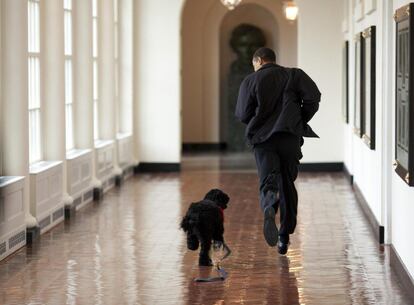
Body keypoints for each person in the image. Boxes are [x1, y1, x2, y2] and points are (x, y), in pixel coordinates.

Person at [235, 47, 321, 255]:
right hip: (289, 136)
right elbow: (313, 98)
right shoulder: (294, 74)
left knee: (269, 179)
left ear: (259, 60)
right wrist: (298, 118)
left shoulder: (251, 80)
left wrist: (258, 121)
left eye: (254, 64)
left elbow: (242, 113)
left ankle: (269, 207)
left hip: (263, 139)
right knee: (287, 183)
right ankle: (284, 236)